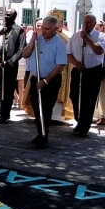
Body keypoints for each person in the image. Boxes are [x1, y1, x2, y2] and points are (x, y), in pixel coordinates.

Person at [22, 15, 67, 148]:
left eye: (47, 29)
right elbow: (25, 55)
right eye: (43, 28)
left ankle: (44, 135)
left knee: (46, 109)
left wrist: (46, 81)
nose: (44, 31)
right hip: (36, 78)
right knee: (36, 108)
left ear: (55, 28)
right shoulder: (38, 39)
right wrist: (32, 42)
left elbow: (60, 66)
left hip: (50, 80)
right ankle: (40, 132)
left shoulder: (59, 44)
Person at [66, 14, 105, 137]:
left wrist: (87, 39)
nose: (86, 25)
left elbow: (99, 50)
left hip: (93, 71)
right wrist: (77, 64)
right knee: (75, 96)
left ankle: (84, 126)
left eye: (89, 23)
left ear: (94, 24)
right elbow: (68, 53)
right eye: (85, 22)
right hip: (79, 70)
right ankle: (79, 120)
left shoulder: (100, 36)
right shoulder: (75, 36)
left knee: (89, 99)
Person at [0, 9, 25, 124]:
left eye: (9, 15)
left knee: (9, 88)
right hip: (0, 61)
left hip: (11, 63)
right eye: (6, 14)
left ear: (14, 17)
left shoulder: (19, 30)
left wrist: (10, 61)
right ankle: (2, 111)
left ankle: (6, 113)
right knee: (1, 87)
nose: (7, 16)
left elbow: (21, 50)